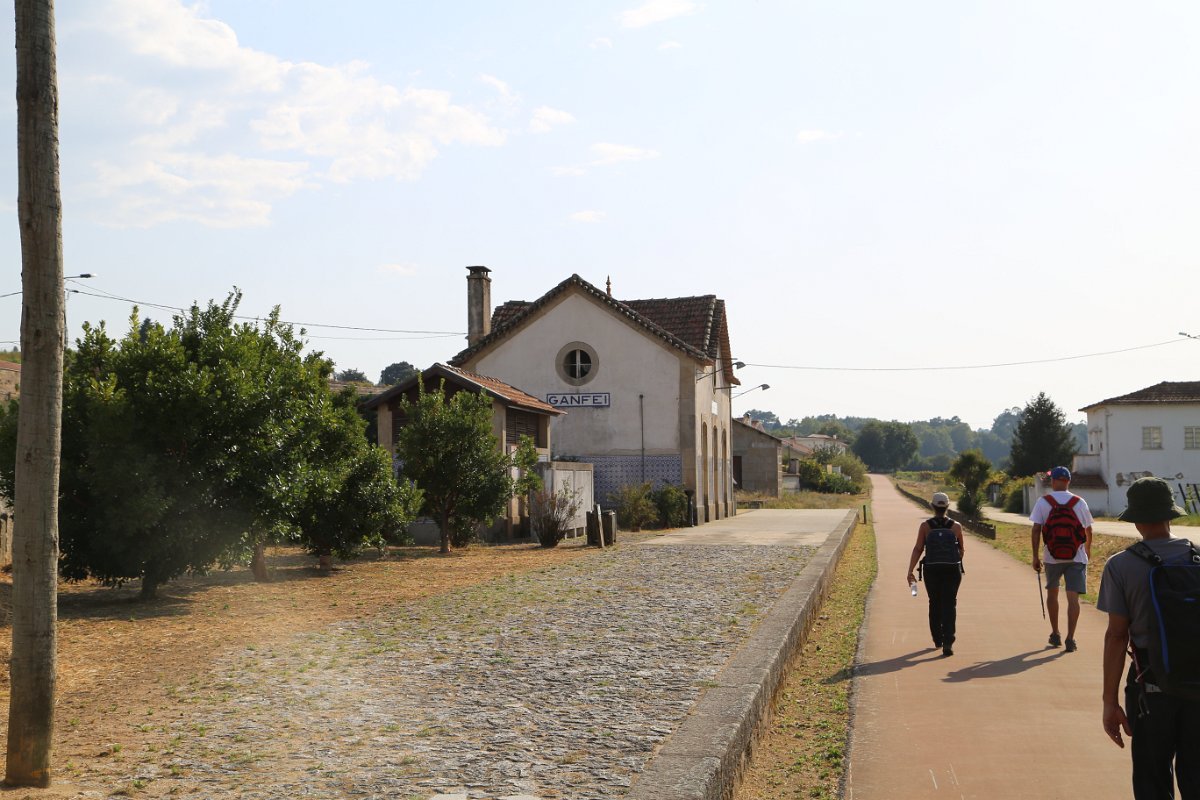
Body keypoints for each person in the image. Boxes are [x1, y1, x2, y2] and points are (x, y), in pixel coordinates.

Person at [1098, 476, 1199, 799]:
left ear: (1136, 519)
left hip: (1150, 686)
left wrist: (1110, 702)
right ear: (1171, 514)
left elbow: (1116, 636)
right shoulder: (1198, 557)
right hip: (1198, 685)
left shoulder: (1120, 565)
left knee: (1152, 779)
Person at [1029, 466, 1093, 652]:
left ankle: (1055, 633)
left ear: (1053, 481)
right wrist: (1087, 550)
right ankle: (1070, 638)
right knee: (1073, 599)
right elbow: (1088, 529)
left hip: (1052, 557)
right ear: (1068, 481)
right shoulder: (1079, 502)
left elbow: (1036, 529)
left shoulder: (1044, 502)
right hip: (1076, 556)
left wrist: (1035, 556)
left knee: (1053, 594)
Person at [906, 492, 965, 657]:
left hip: (931, 569)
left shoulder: (925, 526)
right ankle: (948, 642)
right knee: (949, 604)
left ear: (932, 506)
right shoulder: (956, 526)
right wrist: (952, 561)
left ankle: (937, 639)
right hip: (952, 570)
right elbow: (961, 550)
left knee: (934, 602)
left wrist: (910, 570)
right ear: (947, 506)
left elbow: (918, 548)